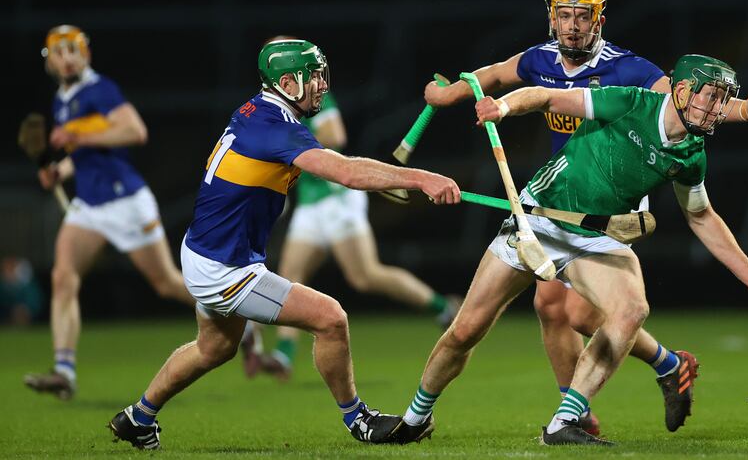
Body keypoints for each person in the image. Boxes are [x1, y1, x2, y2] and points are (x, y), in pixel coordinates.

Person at [420, 0, 748, 435]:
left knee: (566, 307)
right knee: (570, 312)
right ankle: (641, 379)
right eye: (564, 17)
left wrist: (742, 110)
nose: (572, 26)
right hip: (562, 189)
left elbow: (687, 99)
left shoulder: (628, 70)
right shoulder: (541, 59)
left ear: (598, 21)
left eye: (581, 17)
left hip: (614, 195)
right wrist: (446, 96)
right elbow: (494, 75)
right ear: (552, 19)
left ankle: (580, 412)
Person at [108, 39, 461, 450]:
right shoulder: (274, 127)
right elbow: (345, 171)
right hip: (226, 266)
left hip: (206, 251)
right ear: (287, 82)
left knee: (214, 348)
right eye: (314, 78)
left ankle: (138, 417)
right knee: (331, 319)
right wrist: (422, 178)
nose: (322, 86)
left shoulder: (259, 110)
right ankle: (359, 420)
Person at [23, 25, 197, 401]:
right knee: (63, 278)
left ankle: (239, 317)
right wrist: (60, 170)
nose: (67, 57)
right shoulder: (62, 99)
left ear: (86, 55)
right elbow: (81, 155)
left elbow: (135, 131)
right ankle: (64, 370)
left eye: (74, 50)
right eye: (59, 51)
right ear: (49, 60)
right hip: (89, 205)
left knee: (166, 283)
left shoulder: (100, 90)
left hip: (125, 201)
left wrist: (77, 138)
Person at [250, 85, 461, 381]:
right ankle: (284, 353)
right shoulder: (270, 109)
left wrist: (290, 144)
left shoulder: (311, 98)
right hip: (309, 204)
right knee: (290, 275)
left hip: (337, 199)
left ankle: (443, 306)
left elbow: (335, 136)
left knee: (365, 276)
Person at [0, 257, 43, 326]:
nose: (8, 271)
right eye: (6, 269)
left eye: (11, 268)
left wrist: (25, 309)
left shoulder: (27, 285)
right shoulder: (2, 286)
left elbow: (35, 302)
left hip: (26, 314)